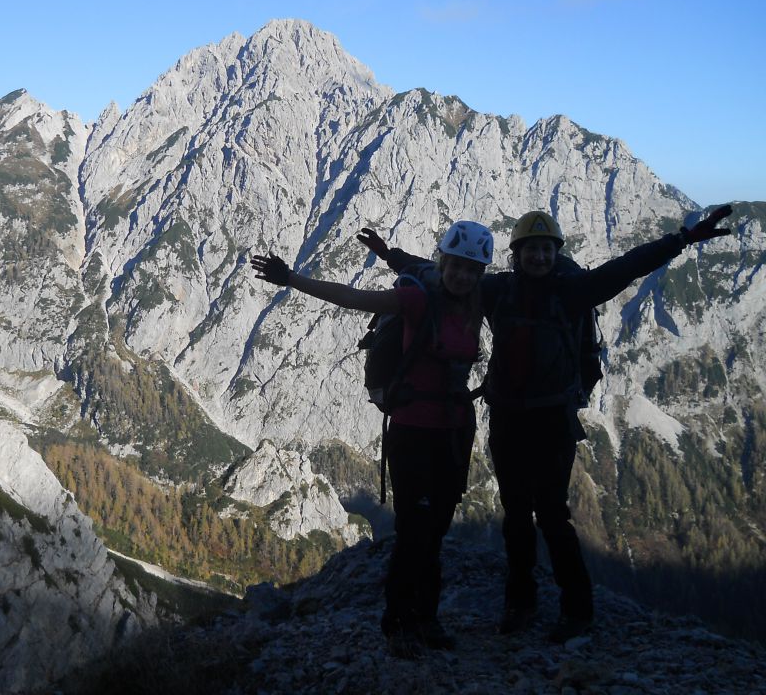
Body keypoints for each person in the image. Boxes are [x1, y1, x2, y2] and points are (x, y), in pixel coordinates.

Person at [360, 204, 733, 643]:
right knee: (516, 514)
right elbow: (445, 273)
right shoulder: (497, 290)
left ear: (555, 252)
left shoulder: (575, 290)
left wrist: (681, 240)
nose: (538, 257)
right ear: (516, 255)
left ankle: (577, 609)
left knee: (554, 515)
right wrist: (390, 255)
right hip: (508, 418)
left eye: (545, 249)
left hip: (553, 420)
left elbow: (628, 266)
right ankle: (521, 603)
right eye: (529, 249)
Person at [250, 221, 494, 658]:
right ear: (445, 263)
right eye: (456, 266)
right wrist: (291, 279)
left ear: (480, 274)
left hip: (453, 433)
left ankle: (428, 618)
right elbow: (353, 299)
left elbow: (409, 261)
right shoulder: (417, 300)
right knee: (414, 530)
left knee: (435, 530)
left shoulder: (476, 304)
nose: (463, 275)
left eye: (471, 270)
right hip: (412, 433)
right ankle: (398, 624)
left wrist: (385, 250)